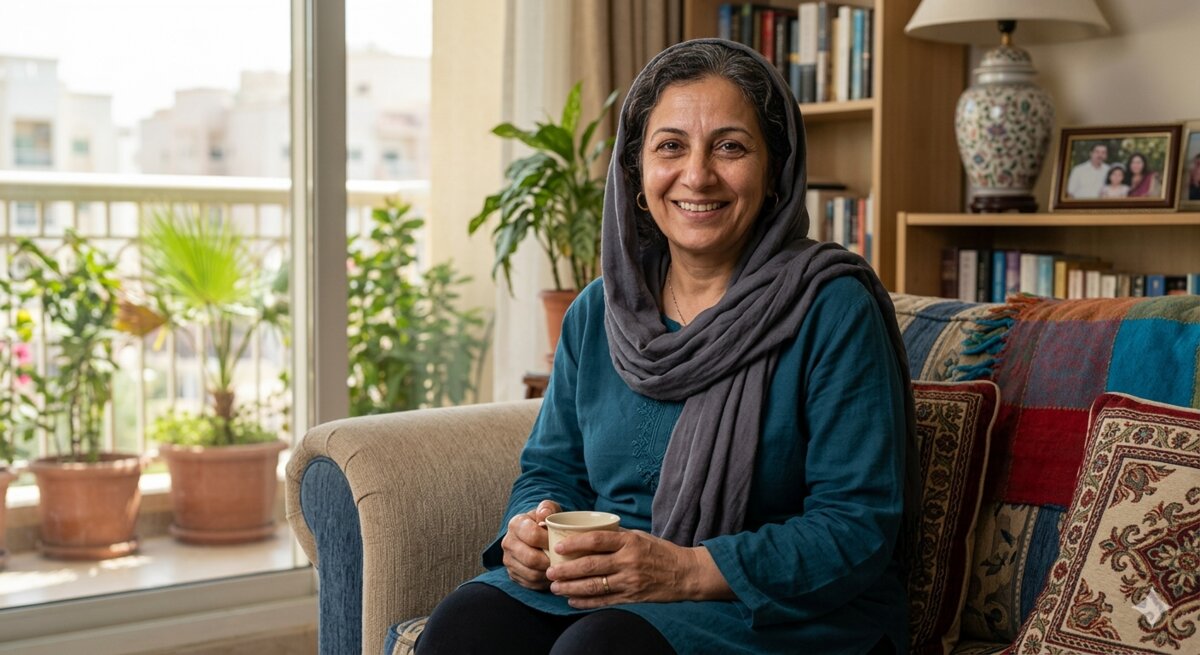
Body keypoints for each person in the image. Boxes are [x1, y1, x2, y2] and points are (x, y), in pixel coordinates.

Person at [416, 38, 914, 655]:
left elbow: (857, 525)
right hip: (607, 586)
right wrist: (529, 526)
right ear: (636, 171)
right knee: (464, 626)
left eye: (730, 146)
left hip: (769, 605)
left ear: (775, 171)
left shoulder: (832, 308)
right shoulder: (598, 311)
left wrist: (681, 569)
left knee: (599, 650)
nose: (697, 175)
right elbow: (552, 468)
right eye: (671, 146)